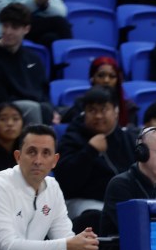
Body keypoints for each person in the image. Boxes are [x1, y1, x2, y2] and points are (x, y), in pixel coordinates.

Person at [55, 86, 135, 221]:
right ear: (84, 113)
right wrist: (90, 150)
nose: (98, 116)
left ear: (116, 111)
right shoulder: (71, 138)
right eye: (92, 110)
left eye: (104, 109)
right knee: (97, 215)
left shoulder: (127, 139)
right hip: (82, 200)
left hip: (122, 201)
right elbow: (66, 181)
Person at [0, 3, 53, 125]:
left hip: (37, 108)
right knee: (33, 108)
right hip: (3, 111)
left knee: (76, 108)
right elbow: (0, 98)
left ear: (26, 29)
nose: (8, 32)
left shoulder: (33, 58)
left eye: (14, 27)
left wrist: (50, 110)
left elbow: (44, 92)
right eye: (5, 26)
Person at [62, 57, 138, 127]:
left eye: (112, 76)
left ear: (118, 80)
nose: (106, 80)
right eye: (101, 75)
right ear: (92, 78)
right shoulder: (80, 104)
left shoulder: (129, 107)